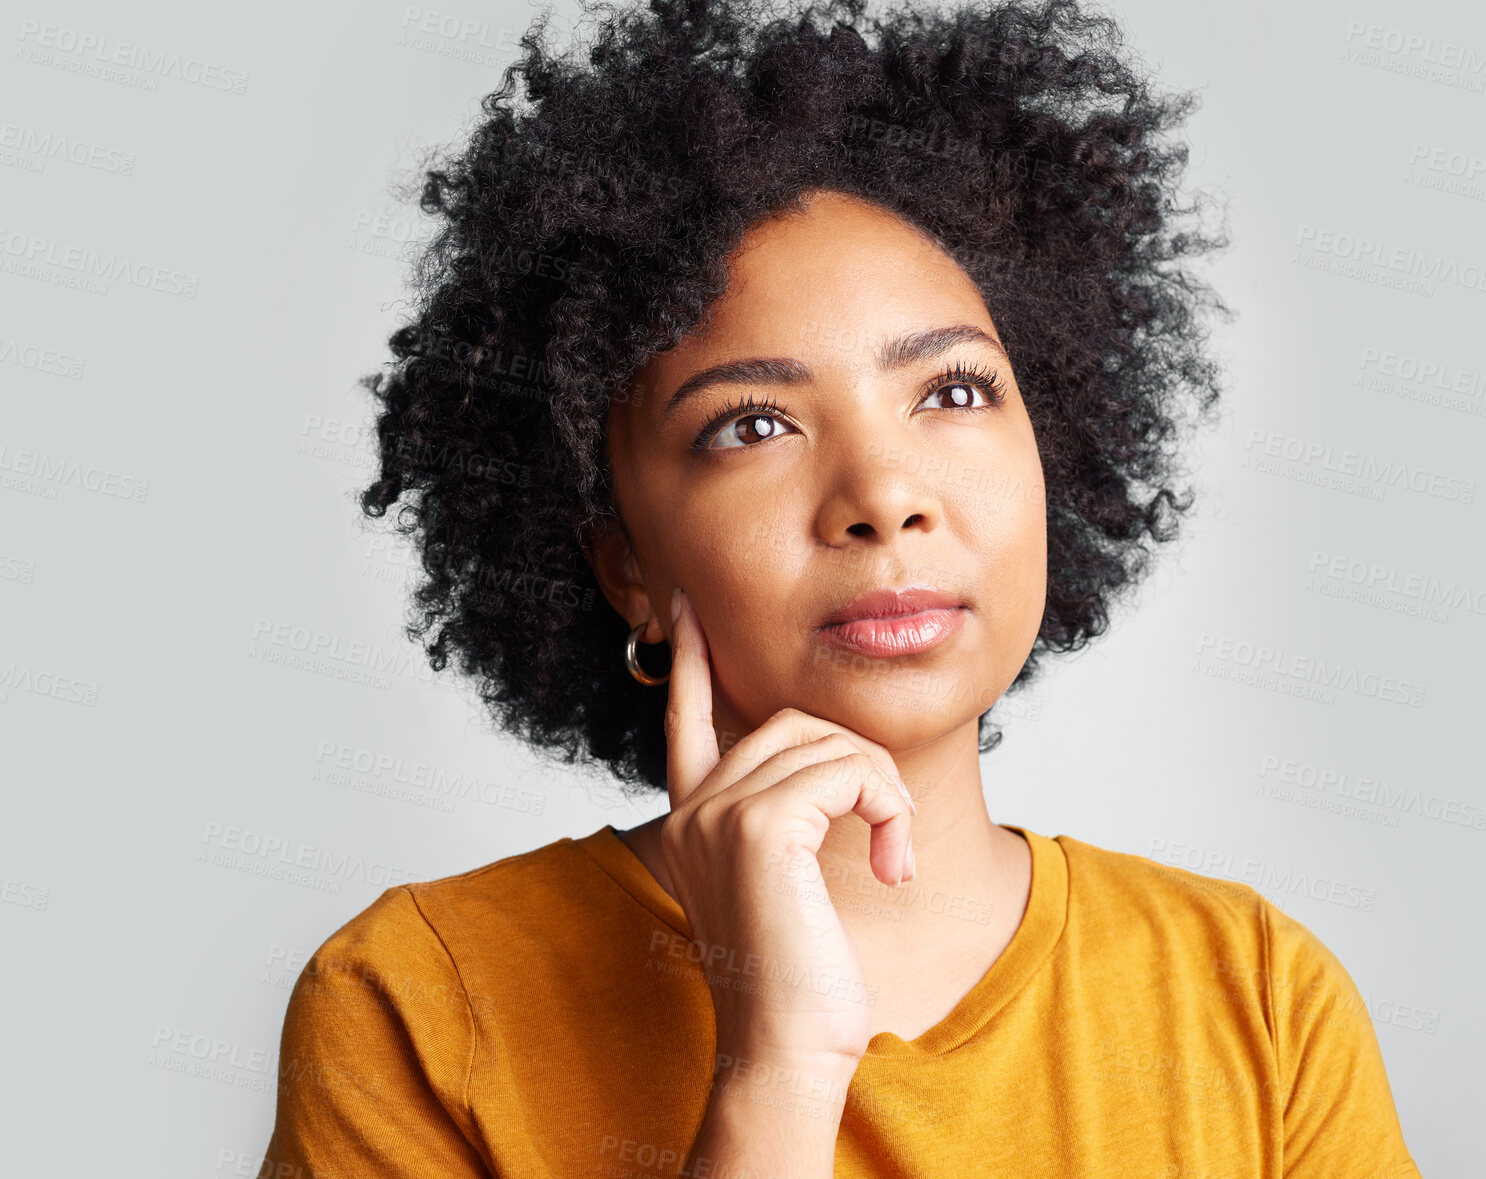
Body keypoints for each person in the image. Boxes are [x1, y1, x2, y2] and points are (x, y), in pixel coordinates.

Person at [262, 0, 1423, 1174]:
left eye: (954, 393)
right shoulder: (419, 1002)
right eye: (751, 424)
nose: (883, 494)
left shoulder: (1258, 998)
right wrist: (776, 1068)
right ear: (626, 564)